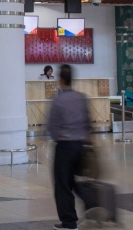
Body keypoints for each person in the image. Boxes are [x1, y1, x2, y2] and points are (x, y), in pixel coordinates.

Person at [47, 64, 94, 230]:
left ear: (60, 80)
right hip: (81, 146)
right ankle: (94, 208)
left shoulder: (58, 100)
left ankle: (69, 222)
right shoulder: (81, 98)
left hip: (65, 147)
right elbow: (88, 122)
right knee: (78, 182)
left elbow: (52, 127)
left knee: (63, 185)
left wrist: (58, 137)